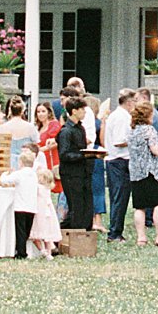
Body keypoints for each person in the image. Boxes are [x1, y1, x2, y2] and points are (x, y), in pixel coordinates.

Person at [126, 95, 158, 247]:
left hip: (136, 172)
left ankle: (141, 238)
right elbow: (156, 150)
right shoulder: (149, 130)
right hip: (152, 172)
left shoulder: (132, 131)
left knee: (139, 206)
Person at [2, 142, 59, 258]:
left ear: (21, 163)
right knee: (27, 230)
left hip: (20, 207)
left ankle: (21, 251)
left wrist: (3, 174)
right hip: (32, 207)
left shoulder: (19, 174)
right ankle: (26, 250)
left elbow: (6, 181)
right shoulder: (34, 175)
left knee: (20, 231)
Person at [56, 96, 94, 231]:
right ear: (74, 111)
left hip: (83, 172)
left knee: (87, 204)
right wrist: (83, 156)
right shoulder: (66, 131)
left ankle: (85, 230)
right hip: (71, 174)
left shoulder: (80, 128)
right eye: (82, 109)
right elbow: (64, 154)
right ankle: (71, 232)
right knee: (76, 206)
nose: (84, 112)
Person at [102, 89, 134, 243]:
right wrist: (135, 139)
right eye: (134, 102)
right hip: (119, 160)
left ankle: (115, 230)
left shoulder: (116, 115)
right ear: (128, 102)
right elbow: (119, 140)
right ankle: (115, 232)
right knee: (119, 198)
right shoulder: (122, 117)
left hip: (114, 160)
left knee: (118, 197)